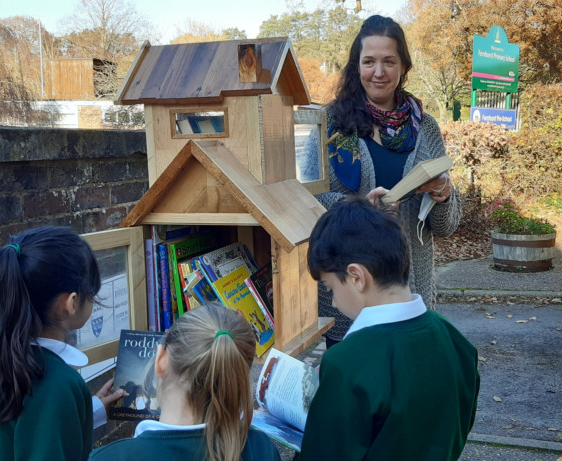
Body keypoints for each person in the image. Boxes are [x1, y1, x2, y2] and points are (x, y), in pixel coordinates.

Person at [301, 14, 461, 347]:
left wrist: (444, 193)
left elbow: (445, 227)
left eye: (389, 61)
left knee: (405, 391)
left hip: (408, 291)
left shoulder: (425, 127)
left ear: (403, 66)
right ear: (356, 66)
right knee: (354, 388)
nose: (378, 72)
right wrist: (359, 208)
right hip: (350, 295)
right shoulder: (329, 125)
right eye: (369, 61)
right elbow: (305, 199)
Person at [298, 196, 479, 460]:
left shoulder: (346, 363)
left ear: (357, 277)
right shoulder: (455, 340)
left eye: (330, 288)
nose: (334, 303)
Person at [0, 226, 124, 461]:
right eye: (92, 293)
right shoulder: (60, 384)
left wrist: (91, 411)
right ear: (70, 303)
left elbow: (23, 432)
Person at [89, 303, 281, 461]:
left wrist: (88, 417)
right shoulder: (262, 449)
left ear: (161, 360)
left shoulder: (108, 457)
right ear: (236, 375)